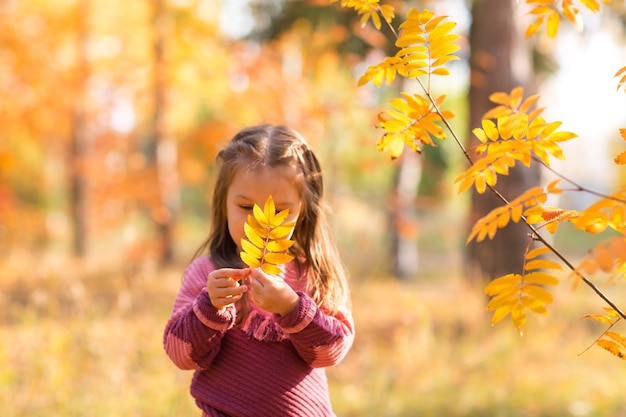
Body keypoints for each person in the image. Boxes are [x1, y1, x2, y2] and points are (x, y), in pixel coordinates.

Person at [163, 124, 354, 417]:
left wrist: (292, 308)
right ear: (223, 204)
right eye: (246, 207)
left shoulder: (313, 273)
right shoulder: (208, 274)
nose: (261, 223)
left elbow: (331, 352)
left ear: (304, 210)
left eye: (279, 211)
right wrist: (210, 307)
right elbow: (181, 355)